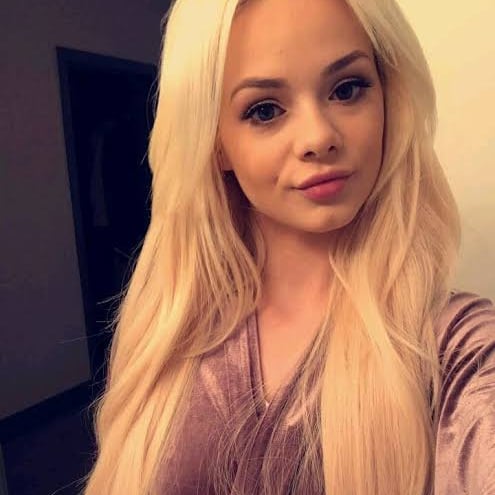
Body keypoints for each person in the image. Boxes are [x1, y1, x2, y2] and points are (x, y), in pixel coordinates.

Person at [81, 0, 495, 494]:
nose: (318, 137)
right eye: (264, 110)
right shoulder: (166, 330)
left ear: (389, 100)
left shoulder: (456, 350)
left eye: (347, 89)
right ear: (216, 143)